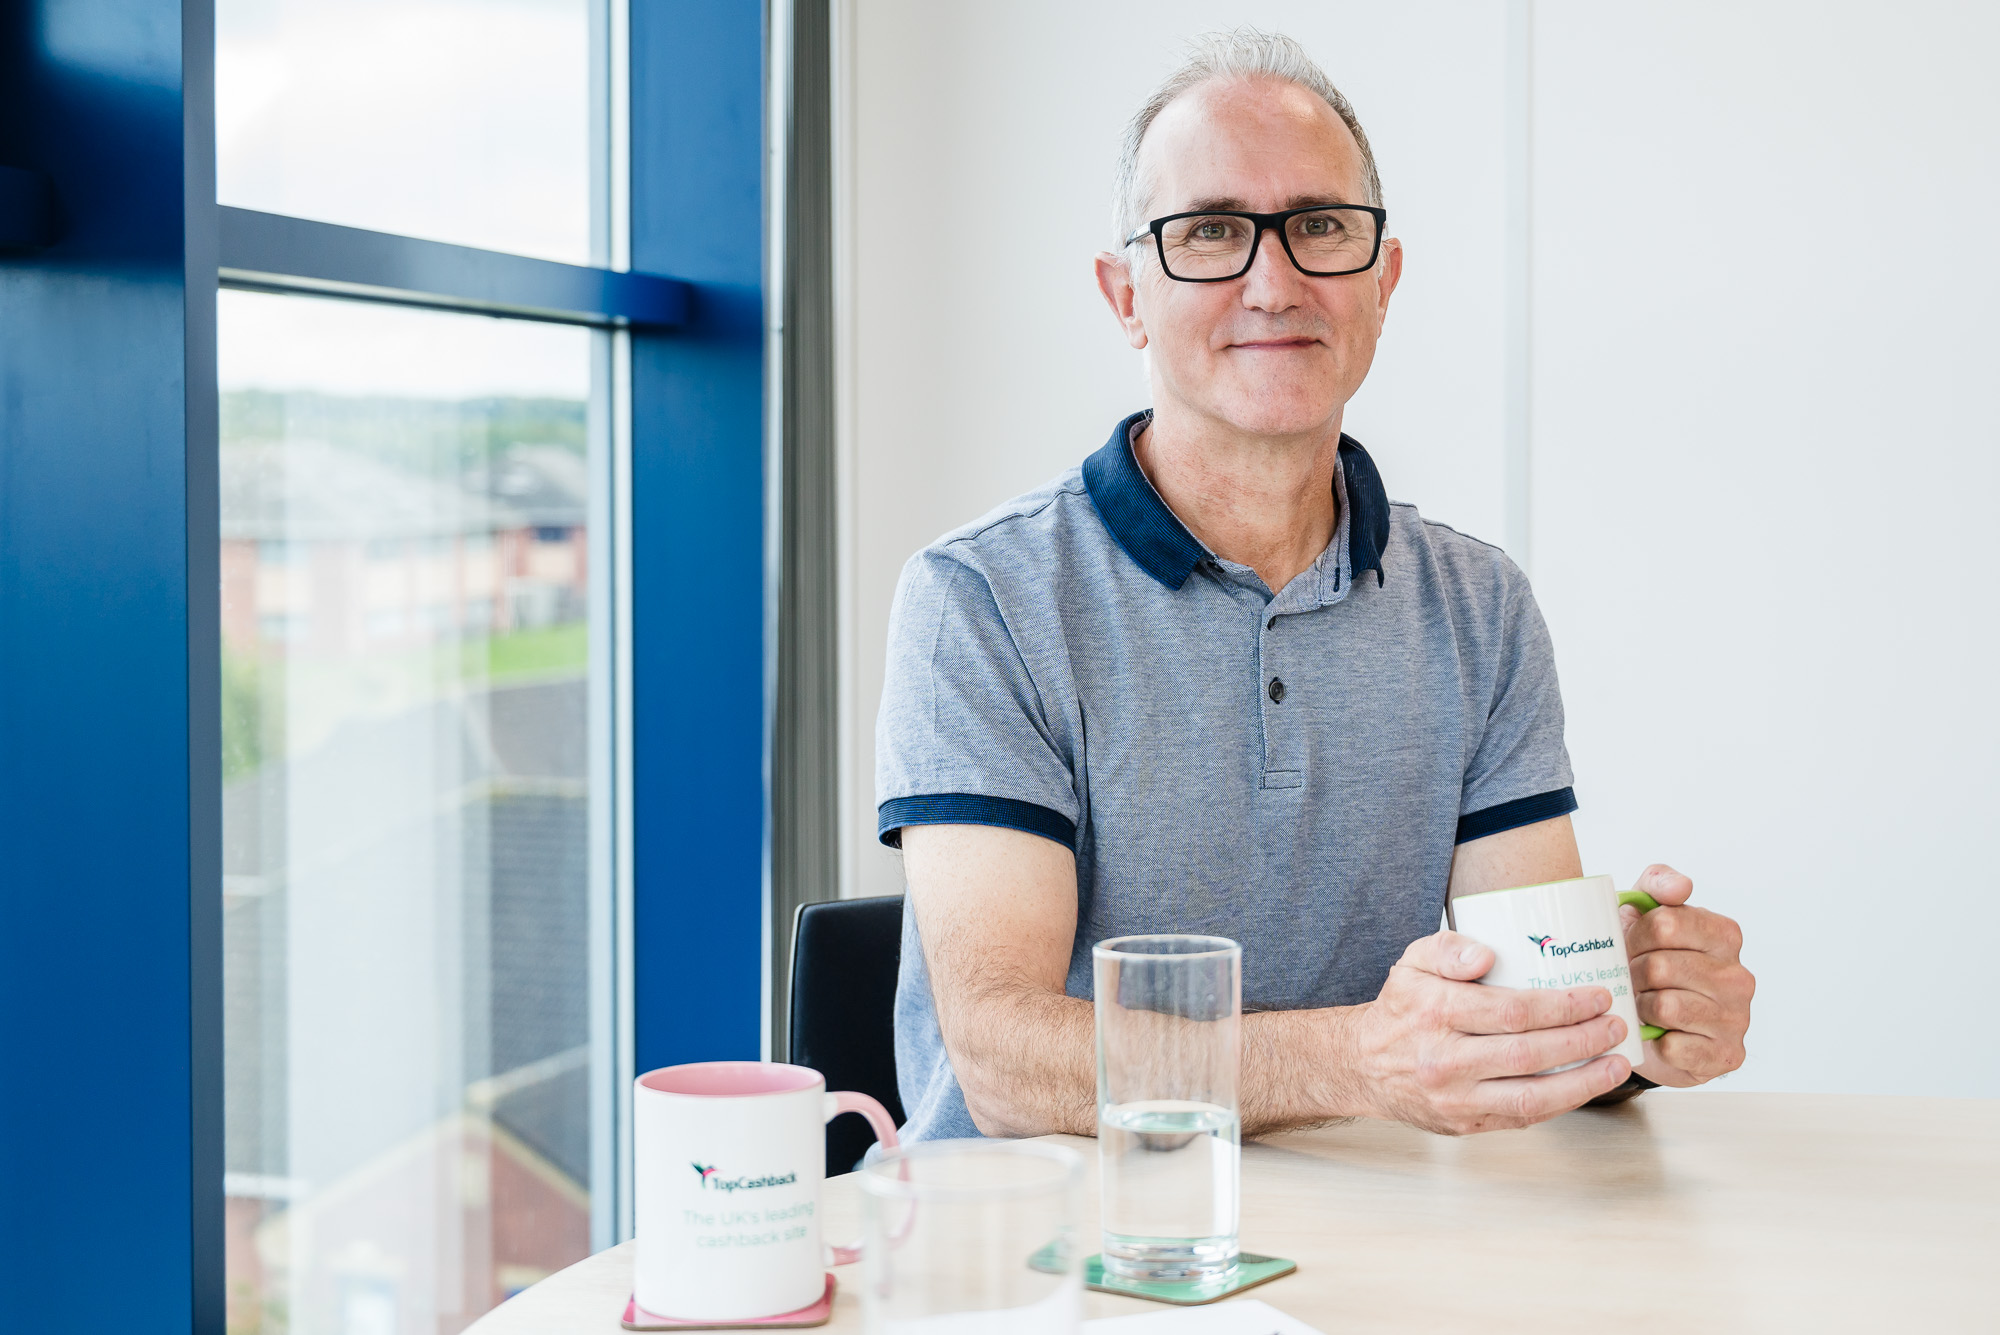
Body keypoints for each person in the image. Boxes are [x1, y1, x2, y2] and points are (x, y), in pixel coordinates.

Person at [874, 29, 1754, 1143]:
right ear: (1124, 296)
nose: (1272, 282)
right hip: (1044, 1259)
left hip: (1360, 1230)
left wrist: (1623, 1017)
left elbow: (1520, 994)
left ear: (1380, 282)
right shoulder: (981, 599)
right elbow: (1003, 1063)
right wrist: (1357, 1058)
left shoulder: (1477, 608)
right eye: (1208, 232)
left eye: (1319, 227)